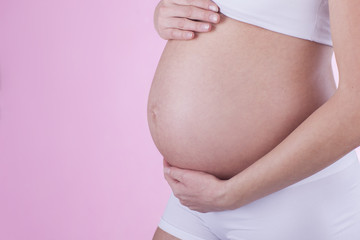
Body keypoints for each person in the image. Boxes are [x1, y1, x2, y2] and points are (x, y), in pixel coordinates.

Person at [148, 0, 360, 239]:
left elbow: (356, 107)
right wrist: (168, 14)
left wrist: (230, 195)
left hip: (290, 199)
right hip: (194, 200)